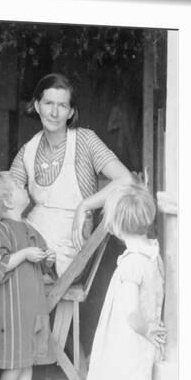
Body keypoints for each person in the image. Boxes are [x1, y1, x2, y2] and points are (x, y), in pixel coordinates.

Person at [10, 73, 133, 276]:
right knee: (4, 259)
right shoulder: (28, 150)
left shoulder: (85, 140)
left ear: (71, 112)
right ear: (37, 105)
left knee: (14, 269)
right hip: (35, 240)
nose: (54, 113)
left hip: (69, 248)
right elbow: (5, 195)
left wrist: (85, 205)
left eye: (62, 106)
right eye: (49, 103)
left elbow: (126, 180)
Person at [0, 172, 56, 380]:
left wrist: (48, 258)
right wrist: (24, 254)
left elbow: (43, 257)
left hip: (29, 306)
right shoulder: (0, 230)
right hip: (13, 309)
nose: (25, 188)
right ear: (8, 201)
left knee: (27, 356)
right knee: (15, 360)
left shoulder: (29, 227)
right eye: (19, 187)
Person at [86, 183, 167, 380]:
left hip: (130, 337)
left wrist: (146, 330)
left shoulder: (131, 264)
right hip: (143, 333)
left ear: (114, 227)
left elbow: (131, 310)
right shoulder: (152, 252)